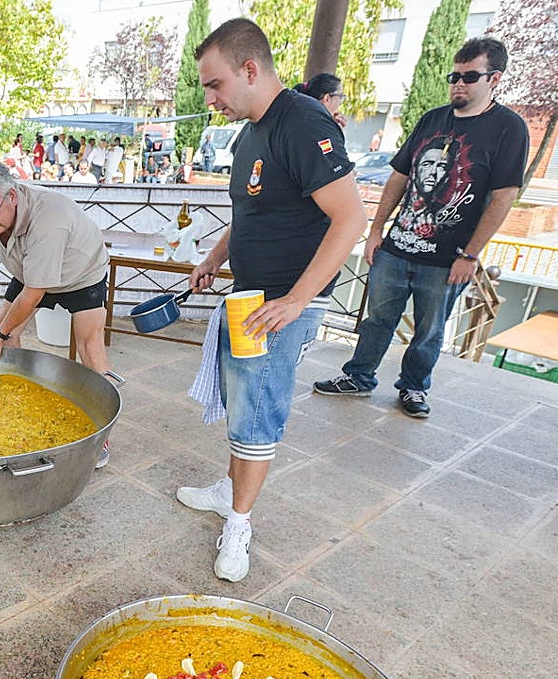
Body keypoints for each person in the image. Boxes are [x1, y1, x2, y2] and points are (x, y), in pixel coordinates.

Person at [176, 19, 366, 582]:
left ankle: (239, 523)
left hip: (284, 306)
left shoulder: (302, 121)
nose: (210, 99)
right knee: (242, 402)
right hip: (251, 296)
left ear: (250, 69)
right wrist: (215, 257)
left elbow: (351, 217)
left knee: (258, 414)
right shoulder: (253, 130)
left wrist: (296, 301)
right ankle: (230, 487)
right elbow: (250, 212)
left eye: (214, 85)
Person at [313, 37, 528, 418]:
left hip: (448, 259)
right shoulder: (433, 118)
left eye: (469, 77)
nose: (458, 84)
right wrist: (377, 230)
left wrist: (471, 255)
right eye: (454, 76)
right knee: (377, 319)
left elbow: (503, 197)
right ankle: (359, 377)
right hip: (397, 247)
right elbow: (398, 176)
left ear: (494, 78)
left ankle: (412, 388)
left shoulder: (508, 129)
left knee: (428, 331)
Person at [0, 158, 119, 468]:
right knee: (8, 335)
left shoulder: (48, 218)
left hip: (81, 272)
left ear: (12, 195)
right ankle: (17, 400)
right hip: (30, 270)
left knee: (90, 347)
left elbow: (33, 294)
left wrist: (0, 333)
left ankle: (102, 437)